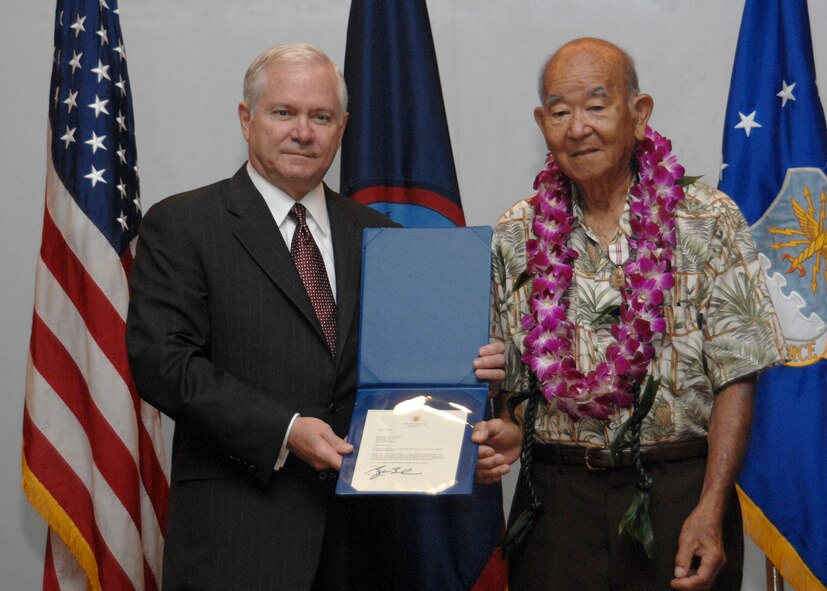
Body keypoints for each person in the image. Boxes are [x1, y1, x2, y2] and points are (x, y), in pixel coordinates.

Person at [126, 44, 504, 591]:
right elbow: (164, 363)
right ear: (246, 119)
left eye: (320, 117)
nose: (303, 132)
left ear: (342, 127)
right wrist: (286, 431)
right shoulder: (183, 225)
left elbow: (403, 377)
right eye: (284, 112)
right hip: (239, 537)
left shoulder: (382, 238)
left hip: (365, 544)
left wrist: (464, 375)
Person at [472, 38, 787, 591]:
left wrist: (711, 508)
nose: (577, 128)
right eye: (561, 112)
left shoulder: (709, 219)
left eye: (597, 106)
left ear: (639, 114)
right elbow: (515, 388)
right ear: (542, 122)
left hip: (678, 495)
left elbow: (738, 375)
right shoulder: (515, 233)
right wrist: (508, 432)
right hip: (556, 506)